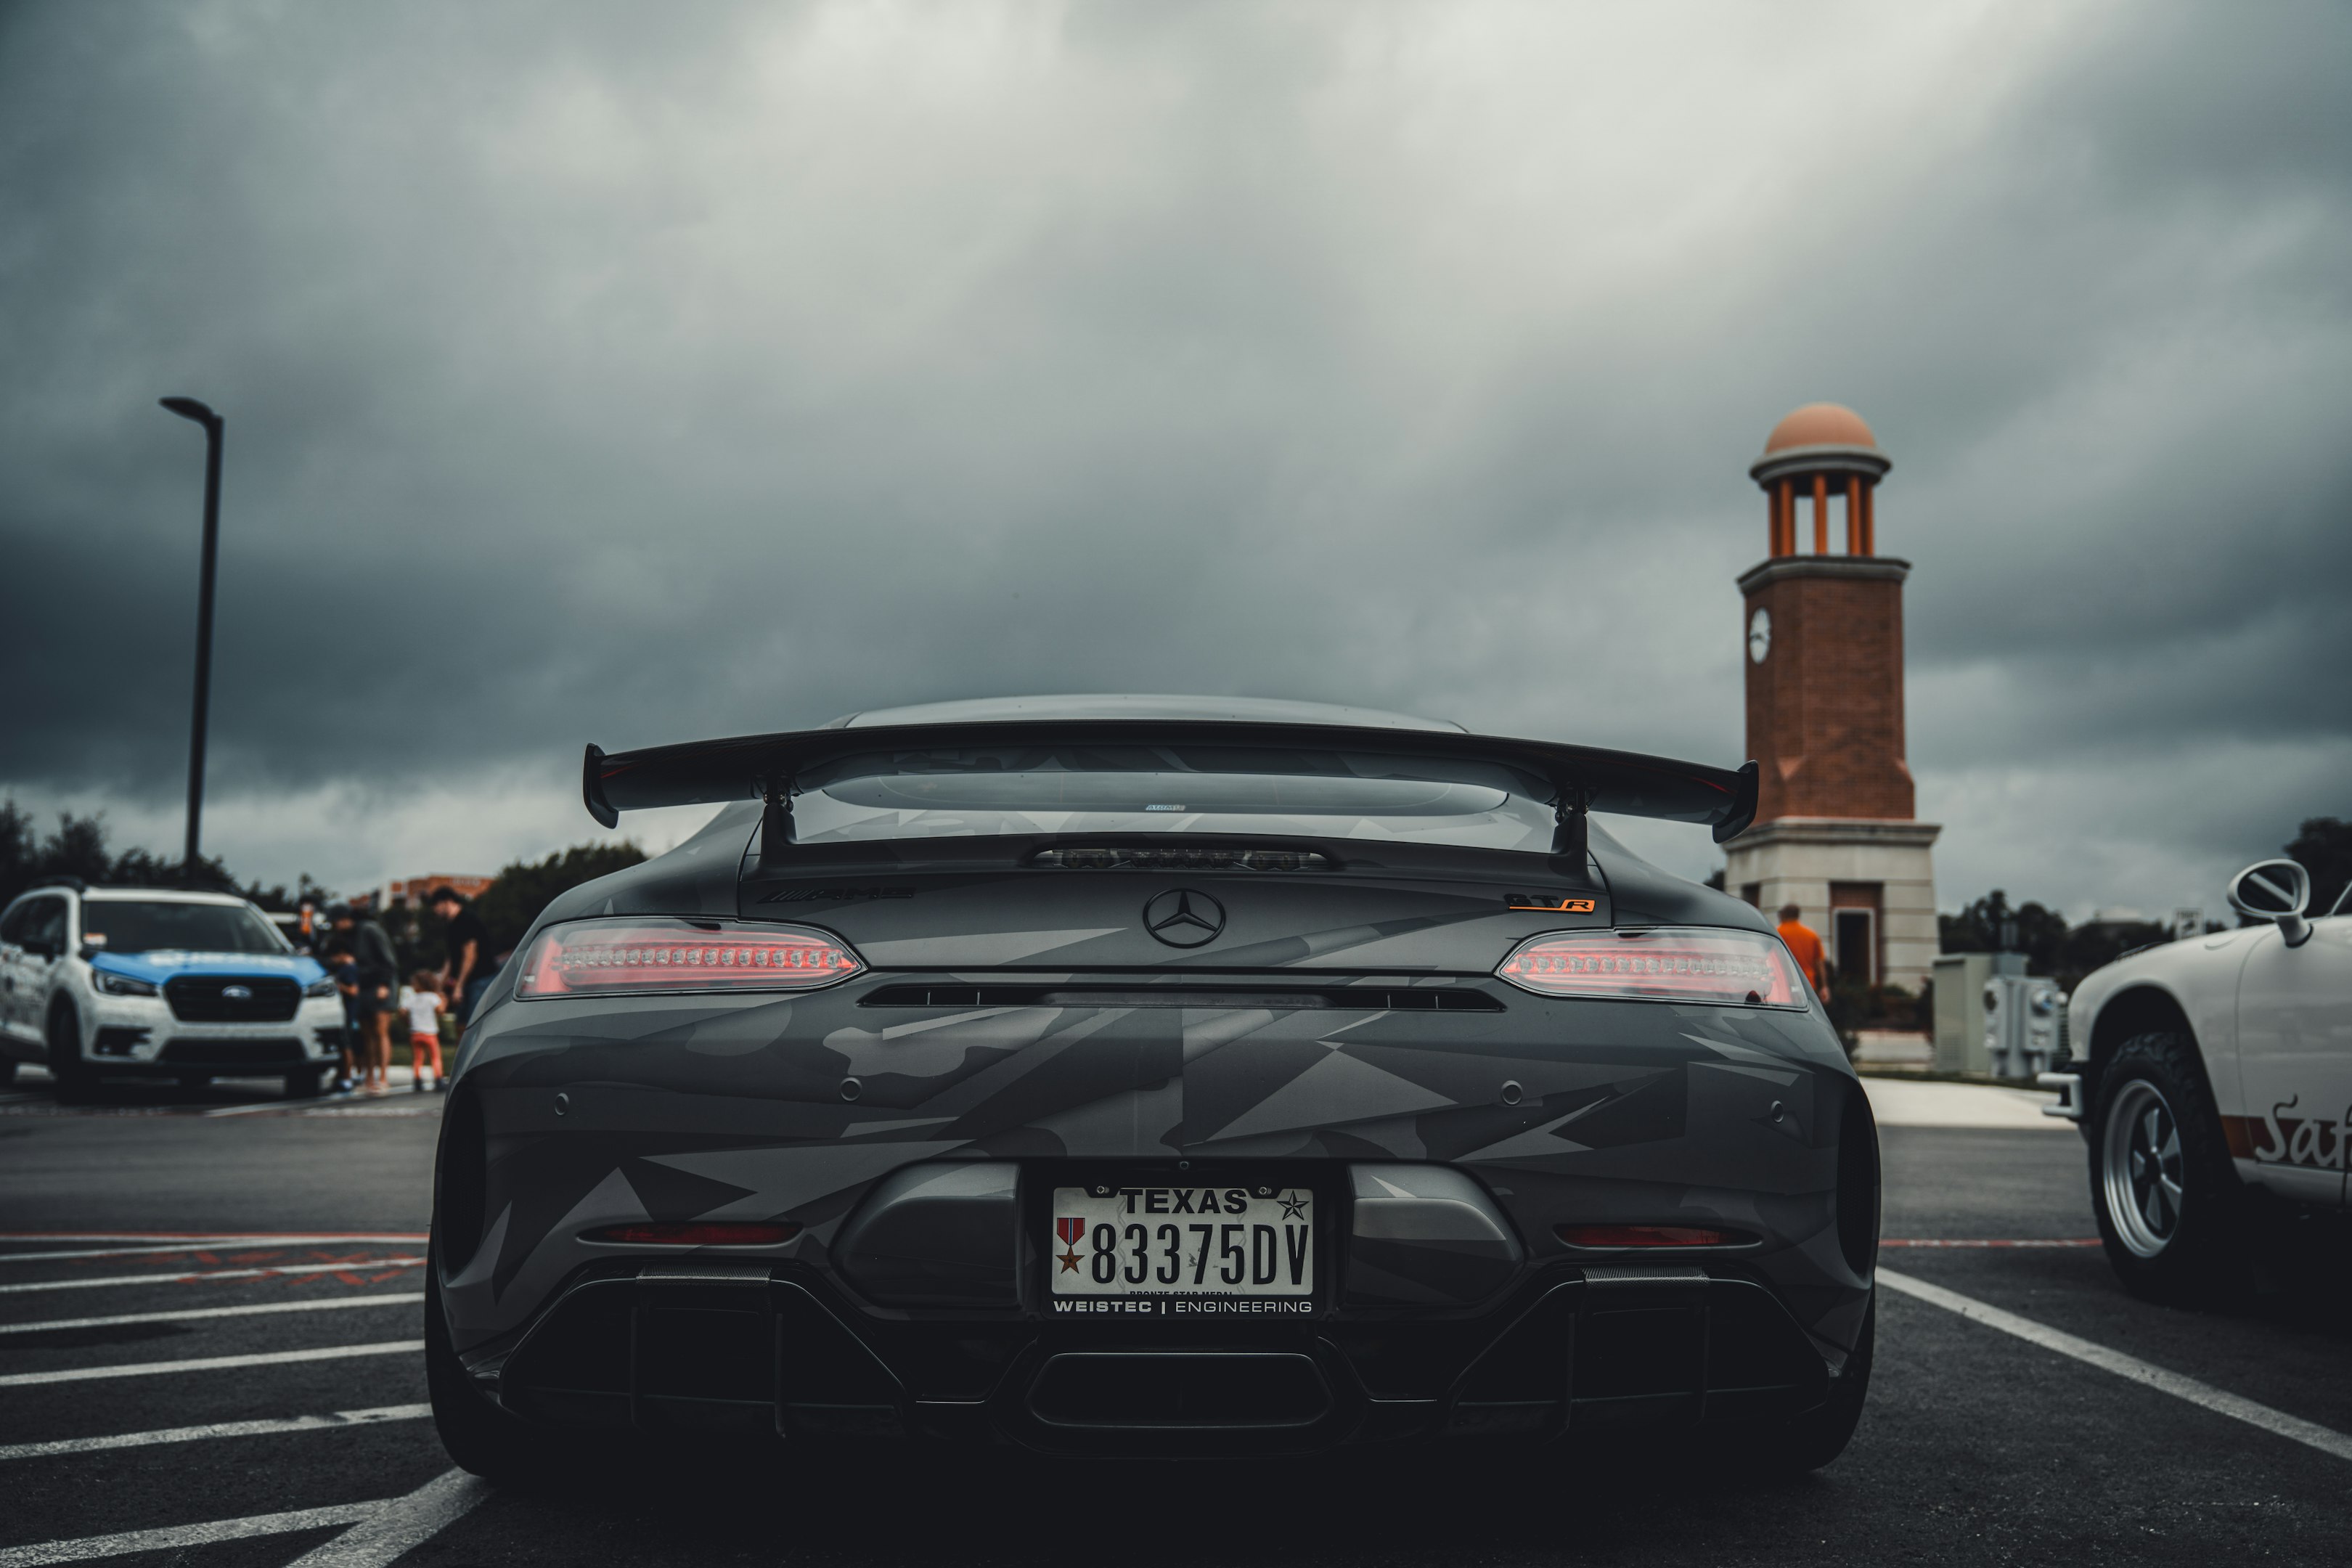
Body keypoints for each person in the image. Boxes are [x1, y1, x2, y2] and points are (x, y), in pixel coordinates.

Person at [330, 902, 399, 1097]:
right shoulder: (344, 937)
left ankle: (383, 1077)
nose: (337, 926)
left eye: (338, 922)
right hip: (362, 986)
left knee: (381, 1031)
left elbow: (388, 960)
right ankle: (368, 1078)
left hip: (380, 985)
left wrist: (384, 985)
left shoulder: (369, 930)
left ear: (346, 918)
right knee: (366, 1035)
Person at [430, 886, 494, 1026]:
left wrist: (459, 986)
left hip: (480, 978)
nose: (435, 910)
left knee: (473, 1023)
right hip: (466, 981)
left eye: (436, 906)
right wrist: (440, 985)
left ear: (447, 902)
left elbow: (470, 955)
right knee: (461, 1023)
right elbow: (451, 959)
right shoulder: (451, 925)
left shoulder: (466, 919)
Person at [322, 943, 360, 1093]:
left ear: (342, 953)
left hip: (347, 1013)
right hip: (348, 1013)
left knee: (346, 1046)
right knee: (346, 1045)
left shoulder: (349, 969)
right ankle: (344, 1076)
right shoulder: (351, 968)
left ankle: (347, 1078)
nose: (333, 960)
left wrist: (337, 986)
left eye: (334, 956)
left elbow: (353, 990)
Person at [401, 971, 446, 1092]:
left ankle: (417, 1080)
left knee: (418, 1058)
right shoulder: (432, 997)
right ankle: (438, 1079)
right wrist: (443, 1000)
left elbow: (403, 1011)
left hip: (415, 1032)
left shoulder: (412, 998)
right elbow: (440, 1010)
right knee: (435, 1057)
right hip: (430, 1033)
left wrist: (408, 1021)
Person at [1776, 902, 1828, 997]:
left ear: (1784, 915)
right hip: (1808, 985)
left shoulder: (1778, 933)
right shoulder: (1811, 935)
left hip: (1784, 983)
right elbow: (1820, 963)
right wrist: (1824, 987)